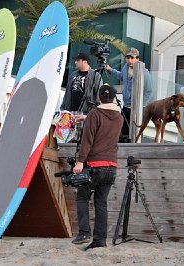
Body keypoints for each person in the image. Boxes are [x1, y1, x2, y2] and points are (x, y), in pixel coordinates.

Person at [71, 84, 124, 250]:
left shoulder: (95, 114)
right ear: (114, 98)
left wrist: (80, 162)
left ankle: (84, 233)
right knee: (101, 203)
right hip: (112, 165)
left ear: (99, 97)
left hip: (94, 164)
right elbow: (105, 125)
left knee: (82, 197)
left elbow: (88, 140)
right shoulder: (119, 117)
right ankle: (100, 240)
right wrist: (87, 118)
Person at [106, 47, 152, 139]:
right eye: (128, 57)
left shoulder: (144, 73)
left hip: (137, 109)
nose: (130, 60)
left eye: (132, 57)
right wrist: (111, 70)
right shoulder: (125, 67)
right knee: (123, 133)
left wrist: (140, 106)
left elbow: (149, 92)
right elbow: (121, 76)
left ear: (137, 59)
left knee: (135, 134)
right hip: (126, 106)